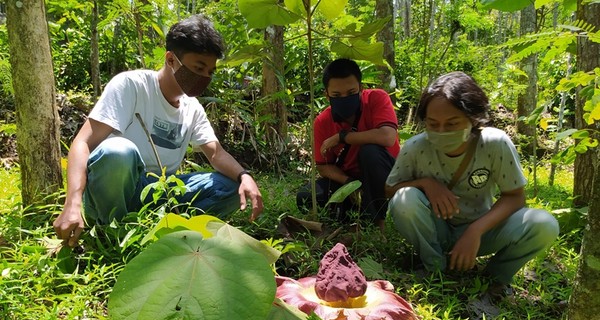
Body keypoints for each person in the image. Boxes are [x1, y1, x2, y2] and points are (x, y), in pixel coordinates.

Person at [53, 15, 263, 247]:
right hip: (118, 188)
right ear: (171, 59)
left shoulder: (192, 108)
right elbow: (83, 142)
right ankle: (111, 232)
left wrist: (245, 176)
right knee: (118, 151)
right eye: (198, 68)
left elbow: (216, 154)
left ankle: (170, 232)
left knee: (232, 188)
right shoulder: (131, 86)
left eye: (210, 72)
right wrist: (72, 202)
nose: (204, 77)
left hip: (160, 193)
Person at [385, 71, 559, 296]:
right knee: (404, 198)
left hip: (481, 230)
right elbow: (390, 190)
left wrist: (475, 231)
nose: (441, 131)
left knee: (544, 224)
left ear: (473, 119)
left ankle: (493, 279)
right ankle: (435, 269)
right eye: (433, 123)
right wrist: (426, 183)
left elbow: (515, 197)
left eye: (452, 123)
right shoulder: (416, 147)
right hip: (433, 229)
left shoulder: (494, 144)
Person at [296, 58, 400, 229]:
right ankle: (354, 216)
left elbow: (387, 137)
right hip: (352, 180)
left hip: (385, 174)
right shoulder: (322, 122)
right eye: (337, 95)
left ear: (361, 89)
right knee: (307, 196)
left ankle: (376, 224)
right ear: (327, 95)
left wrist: (342, 137)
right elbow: (323, 166)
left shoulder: (376, 98)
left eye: (351, 92)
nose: (344, 98)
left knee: (370, 152)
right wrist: (349, 183)